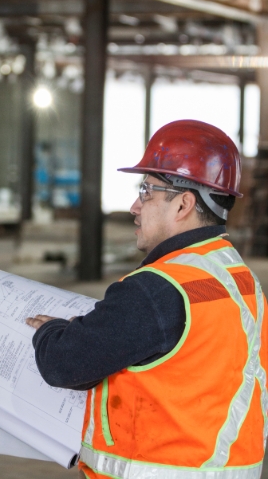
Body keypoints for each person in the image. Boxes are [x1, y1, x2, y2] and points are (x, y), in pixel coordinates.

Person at [26, 120, 268, 479]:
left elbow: (64, 363)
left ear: (184, 204)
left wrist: (52, 332)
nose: (134, 207)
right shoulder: (239, 277)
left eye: (147, 192)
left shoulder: (156, 289)